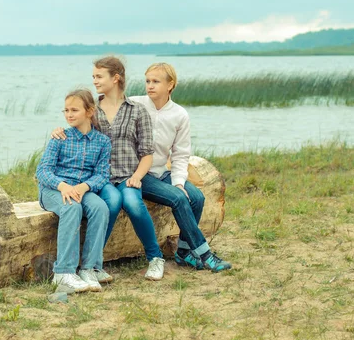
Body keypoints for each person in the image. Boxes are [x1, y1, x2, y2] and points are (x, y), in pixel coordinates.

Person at [54, 56, 166, 281]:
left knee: (133, 202)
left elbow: (146, 153)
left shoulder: (137, 110)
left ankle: (155, 257)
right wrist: (59, 131)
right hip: (100, 177)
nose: (94, 81)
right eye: (93, 76)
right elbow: (75, 125)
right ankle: (93, 264)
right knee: (112, 202)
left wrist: (137, 176)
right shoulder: (92, 110)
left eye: (99, 76)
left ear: (115, 78)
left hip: (128, 176)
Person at [132, 63, 232, 272]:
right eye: (148, 81)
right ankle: (205, 254)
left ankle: (184, 252)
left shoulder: (179, 114)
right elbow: (100, 108)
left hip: (162, 171)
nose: (150, 86)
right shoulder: (134, 105)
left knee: (196, 197)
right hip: (140, 175)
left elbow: (180, 154)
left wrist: (178, 182)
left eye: (156, 81)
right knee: (178, 198)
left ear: (170, 85)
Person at [36, 89, 112, 292]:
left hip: (81, 190)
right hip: (54, 189)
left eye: (74, 110)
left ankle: (89, 268)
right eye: (66, 110)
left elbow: (102, 174)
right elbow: (42, 171)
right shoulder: (60, 138)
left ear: (89, 111)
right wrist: (63, 186)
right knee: (72, 207)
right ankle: (63, 273)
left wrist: (84, 186)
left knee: (100, 208)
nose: (69, 114)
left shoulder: (102, 142)